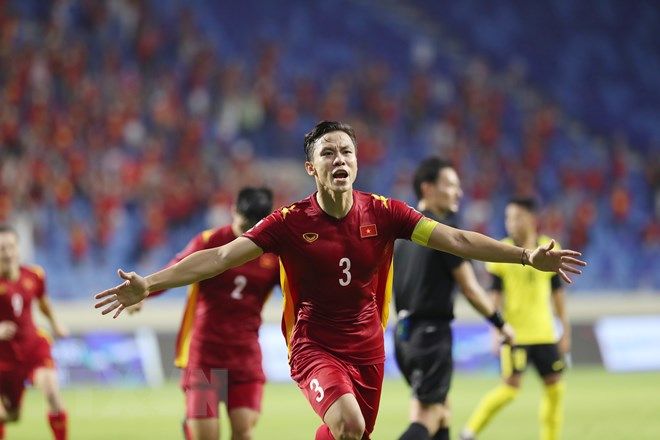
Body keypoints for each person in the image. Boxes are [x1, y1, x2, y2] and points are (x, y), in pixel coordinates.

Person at [94, 120, 585, 440]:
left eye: (346, 151)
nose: (339, 160)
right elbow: (219, 257)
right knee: (345, 423)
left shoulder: (386, 212)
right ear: (312, 167)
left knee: (352, 434)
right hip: (311, 344)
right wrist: (150, 284)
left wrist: (525, 256)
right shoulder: (288, 221)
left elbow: (455, 240)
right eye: (328, 153)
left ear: (357, 161)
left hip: (368, 348)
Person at [129, 187, 280, 440]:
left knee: (244, 432)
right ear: (233, 211)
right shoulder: (209, 242)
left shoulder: (273, 254)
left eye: (256, 225)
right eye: (245, 224)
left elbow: (297, 290)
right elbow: (175, 270)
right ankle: (192, 426)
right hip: (206, 358)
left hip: (245, 357)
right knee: (206, 436)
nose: (249, 233)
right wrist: (144, 293)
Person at [393, 157, 515, 440]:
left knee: (442, 412)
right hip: (431, 335)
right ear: (428, 188)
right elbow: (471, 289)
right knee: (428, 417)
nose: (458, 192)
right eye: (450, 185)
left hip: (403, 336)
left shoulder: (401, 236)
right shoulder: (444, 234)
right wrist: (500, 323)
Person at [459, 197, 571, 440]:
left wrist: (565, 330)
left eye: (517, 217)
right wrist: (494, 331)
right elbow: (495, 297)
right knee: (509, 390)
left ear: (532, 219)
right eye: (508, 217)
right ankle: (468, 433)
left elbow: (558, 295)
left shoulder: (550, 248)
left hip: (544, 333)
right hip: (515, 334)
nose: (511, 223)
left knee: (556, 389)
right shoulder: (502, 251)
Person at [0, 225, 68, 440]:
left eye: (11, 247)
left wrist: (56, 323)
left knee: (53, 396)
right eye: (2, 249)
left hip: (33, 347)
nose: (8, 253)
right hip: (4, 357)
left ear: (18, 248)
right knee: (9, 416)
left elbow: (43, 303)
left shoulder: (35, 275)